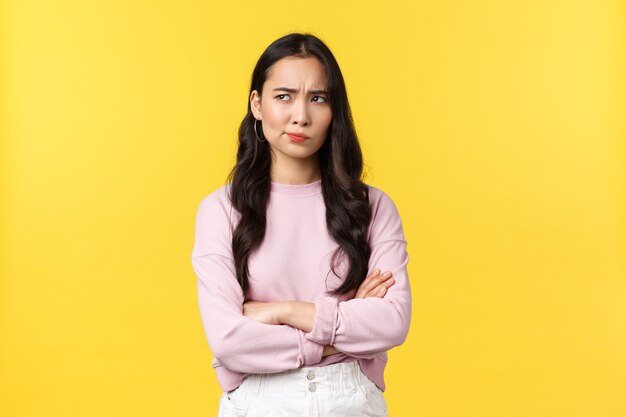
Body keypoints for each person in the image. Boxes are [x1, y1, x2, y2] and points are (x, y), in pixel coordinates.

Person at [191, 32, 411, 417]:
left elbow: (392, 323)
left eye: (318, 98)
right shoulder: (221, 210)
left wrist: (284, 311)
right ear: (257, 104)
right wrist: (343, 331)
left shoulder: (373, 207)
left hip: (350, 400)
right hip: (259, 401)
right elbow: (228, 340)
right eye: (284, 96)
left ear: (333, 110)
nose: (301, 116)